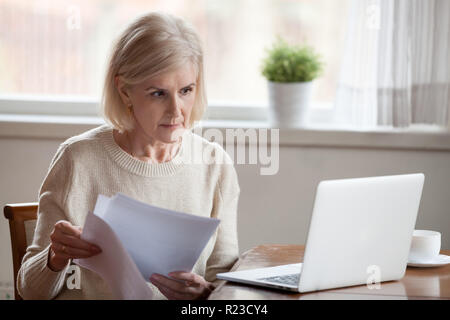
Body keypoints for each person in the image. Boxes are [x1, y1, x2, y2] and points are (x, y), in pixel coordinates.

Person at [17, 12, 240, 300]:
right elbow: (32, 292)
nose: (176, 111)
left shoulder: (214, 165)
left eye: (186, 90)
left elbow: (229, 287)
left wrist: (206, 293)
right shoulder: (78, 160)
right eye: (158, 93)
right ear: (124, 91)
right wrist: (55, 257)